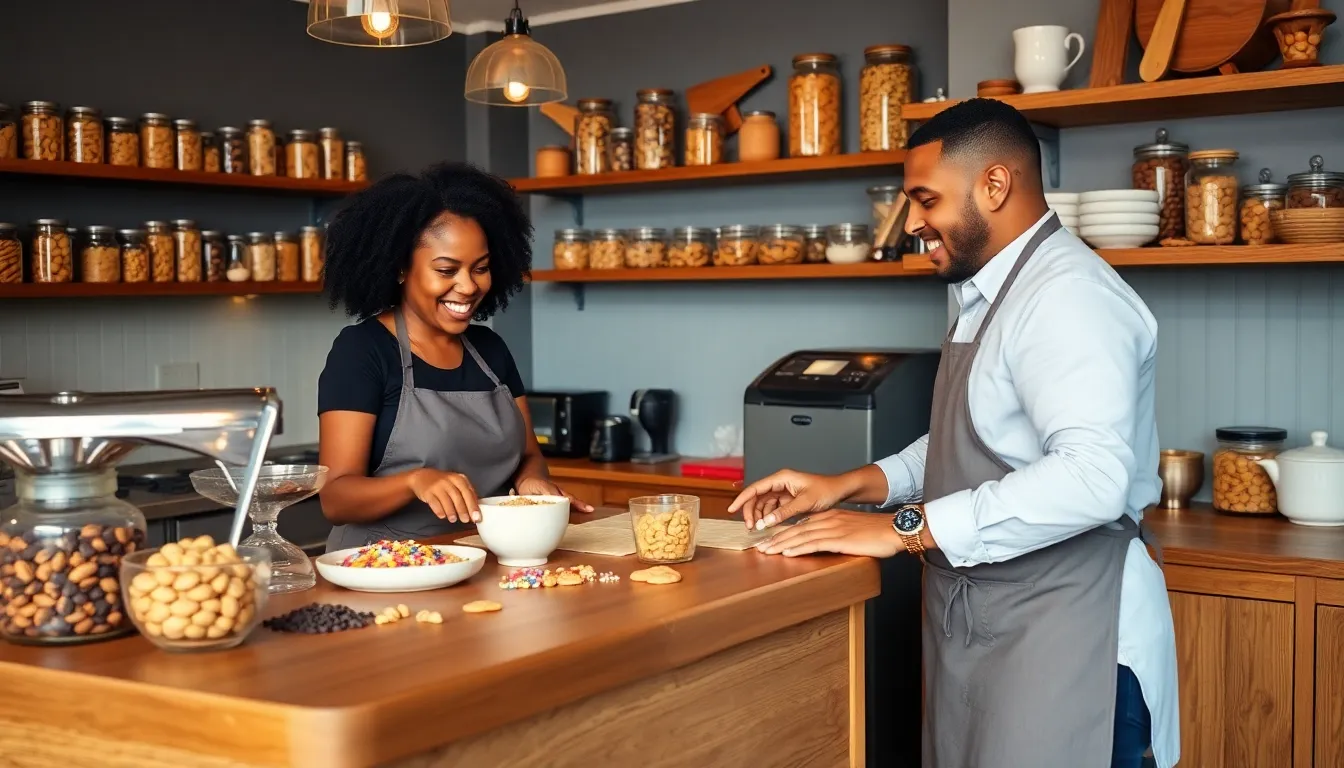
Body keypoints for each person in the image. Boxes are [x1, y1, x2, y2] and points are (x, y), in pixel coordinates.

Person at [729, 99, 1178, 768]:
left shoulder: (1068, 297)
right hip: (992, 626)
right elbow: (975, 438)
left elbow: (1092, 478)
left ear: (994, 186)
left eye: (925, 199)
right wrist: (855, 483)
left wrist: (900, 527)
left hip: (1072, 640)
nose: (910, 222)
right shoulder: (991, 293)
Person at [316, 161, 593, 552]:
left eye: (480, 268)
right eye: (447, 270)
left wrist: (532, 483)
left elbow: (528, 454)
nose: (467, 286)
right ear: (399, 269)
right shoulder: (362, 351)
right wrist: (415, 480)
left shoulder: (489, 349)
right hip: (384, 567)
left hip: (481, 558)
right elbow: (336, 498)